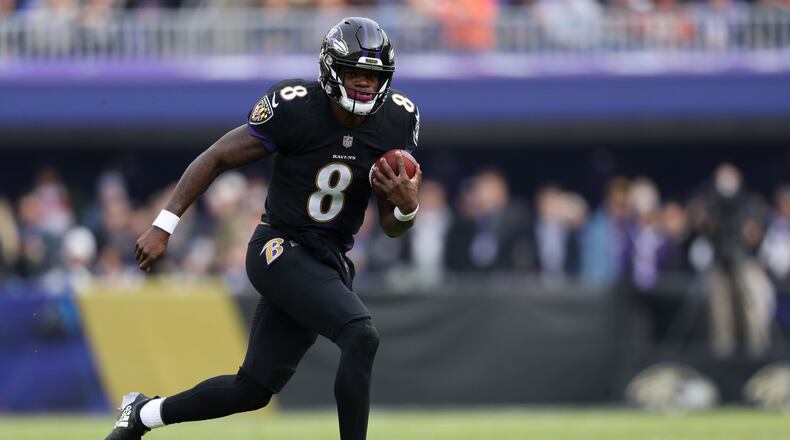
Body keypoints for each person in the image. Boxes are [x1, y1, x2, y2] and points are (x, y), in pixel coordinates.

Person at [105, 17, 421, 440]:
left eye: (373, 75)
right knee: (359, 334)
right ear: (331, 69)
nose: (363, 84)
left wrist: (405, 209)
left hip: (329, 259)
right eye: (354, 72)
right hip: (279, 246)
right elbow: (217, 156)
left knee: (251, 390)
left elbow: (392, 226)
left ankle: (141, 415)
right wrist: (165, 224)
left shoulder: (397, 120)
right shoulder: (295, 106)